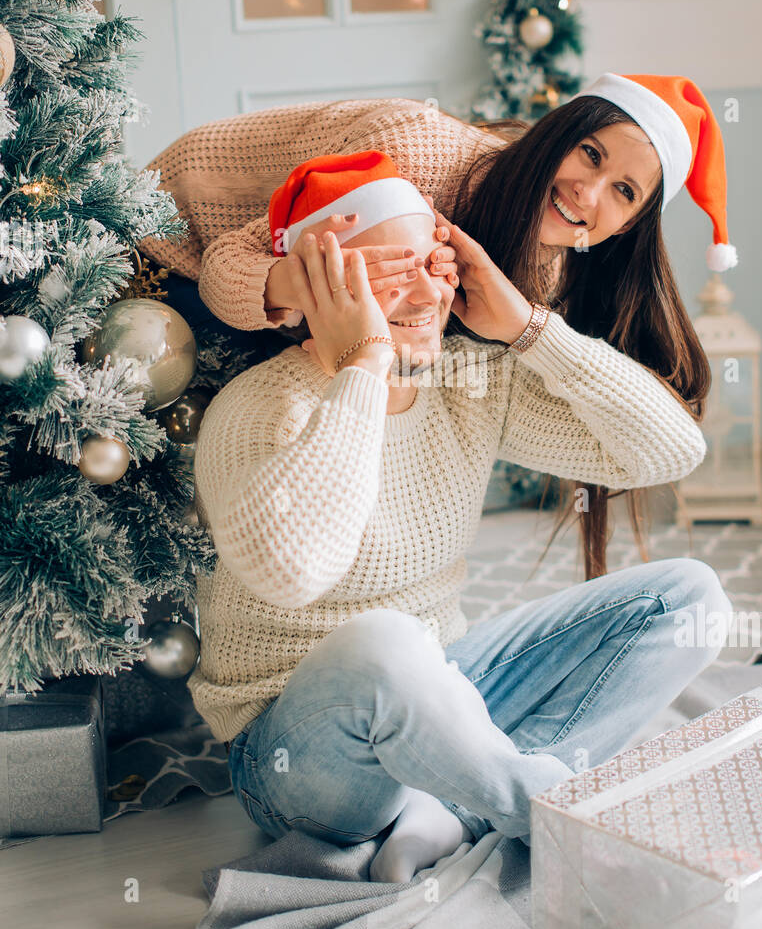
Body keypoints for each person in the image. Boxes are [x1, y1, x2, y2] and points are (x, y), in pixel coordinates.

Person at [190, 152, 731, 884]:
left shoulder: (466, 381)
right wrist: (363, 367)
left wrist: (529, 328)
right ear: (324, 286)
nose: (422, 293)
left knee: (688, 597)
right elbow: (292, 574)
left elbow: (670, 448)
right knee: (384, 643)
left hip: (446, 689)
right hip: (302, 758)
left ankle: (456, 811)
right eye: (388, 273)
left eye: (433, 264)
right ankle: (574, 825)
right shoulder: (256, 410)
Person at [183, 74, 737, 578]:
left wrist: (525, 325)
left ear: (628, 227)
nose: (587, 193)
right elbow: (228, 264)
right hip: (174, 234)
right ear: (555, 133)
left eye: (624, 191)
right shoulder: (419, 153)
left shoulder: (545, 267)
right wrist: (302, 281)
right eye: (590, 154)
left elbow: (669, 446)